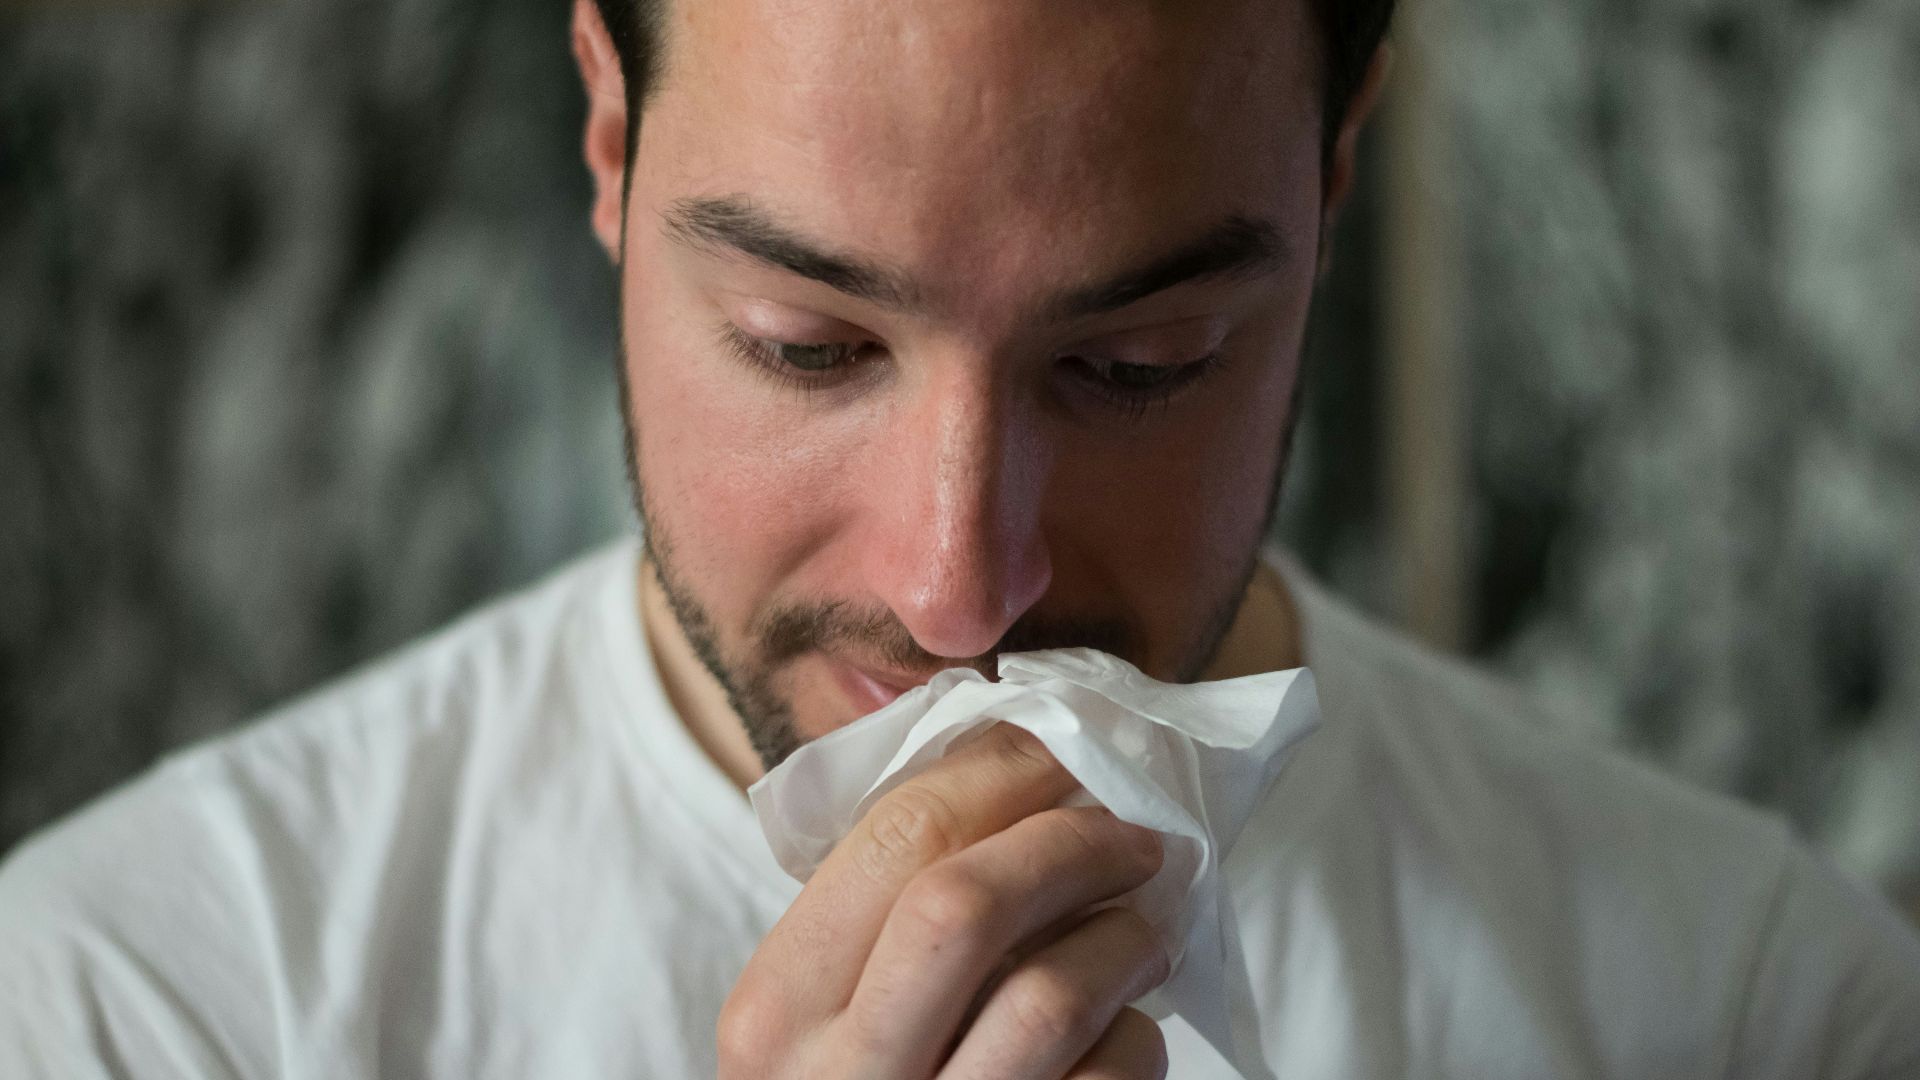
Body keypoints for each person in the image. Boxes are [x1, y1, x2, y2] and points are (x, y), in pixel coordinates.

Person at [2, 0, 1917, 1075]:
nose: (959, 589)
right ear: (609, 140)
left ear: (1332, 181)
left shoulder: (1761, 1012)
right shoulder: (139, 1010)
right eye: (808, 345)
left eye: (1140, 365)